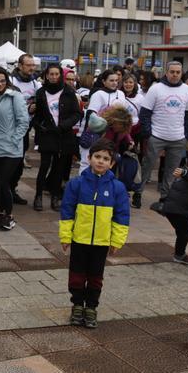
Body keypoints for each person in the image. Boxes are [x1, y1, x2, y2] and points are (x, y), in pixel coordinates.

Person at [59, 138, 130, 329]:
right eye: (97, 157)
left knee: (95, 277)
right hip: (79, 240)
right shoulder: (77, 184)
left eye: (106, 159)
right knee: (76, 276)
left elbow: (122, 216)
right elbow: (67, 210)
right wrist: (66, 236)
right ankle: (77, 306)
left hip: (101, 242)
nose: (101, 161)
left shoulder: (118, 188)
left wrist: (117, 240)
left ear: (112, 163)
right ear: (89, 158)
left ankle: (91, 307)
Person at [139, 62, 188, 205]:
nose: (175, 74)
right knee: (147, 166)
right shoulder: (156, 89)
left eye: (178, 72)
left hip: (178, 137)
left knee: (171, 170)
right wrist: (148, 133)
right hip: (156, 135)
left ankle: (165, 197)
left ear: (181, 73)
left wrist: (187, 134)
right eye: (172, 72)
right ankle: (138, 193)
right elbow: (145, 113)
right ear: (166, 72)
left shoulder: (186, 90)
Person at [0, 66, 30, 230]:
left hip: (11, 148)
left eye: (2, 80)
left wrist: (14, 139)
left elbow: (23, 121)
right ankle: (0, 214)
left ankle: (9, 215)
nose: (0, 84)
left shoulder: (14, 96)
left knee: (3, 182)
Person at [33, 63, 82, 211]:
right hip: (47, 134)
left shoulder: (68, 92)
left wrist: (64, 125)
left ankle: (55, 196)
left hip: (63, 135)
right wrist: (38, 126)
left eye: (56, 74)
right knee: (44, 166)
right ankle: (38, 196)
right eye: (51, 74)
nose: (54, 77)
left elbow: (77, 113)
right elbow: (38, 115)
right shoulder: (41, 92)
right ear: (46, 76)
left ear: (60, 75)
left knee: (59, 168)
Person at [80, 70, 136, 173]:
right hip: (97, 134)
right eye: (111, 80)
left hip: (114, 136)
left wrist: (128, 138)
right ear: (104, 81)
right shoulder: (98, 94)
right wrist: (107, 118)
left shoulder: (121, 94)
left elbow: (124, 119)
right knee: (88, 163)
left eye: (116, 80)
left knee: (108, 164)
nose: (114, 83)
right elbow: (91, 115)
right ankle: (84, 187)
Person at [9, 54, 40, 200]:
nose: (32, 68)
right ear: (20, 66)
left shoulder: (35, 83)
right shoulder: (11, 81)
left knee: (19, 160)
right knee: (9, 161)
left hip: (26, 127)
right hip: (11, 128)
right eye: (29, 65)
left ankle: (13, 189)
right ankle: (5, 189)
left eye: (33, 65)